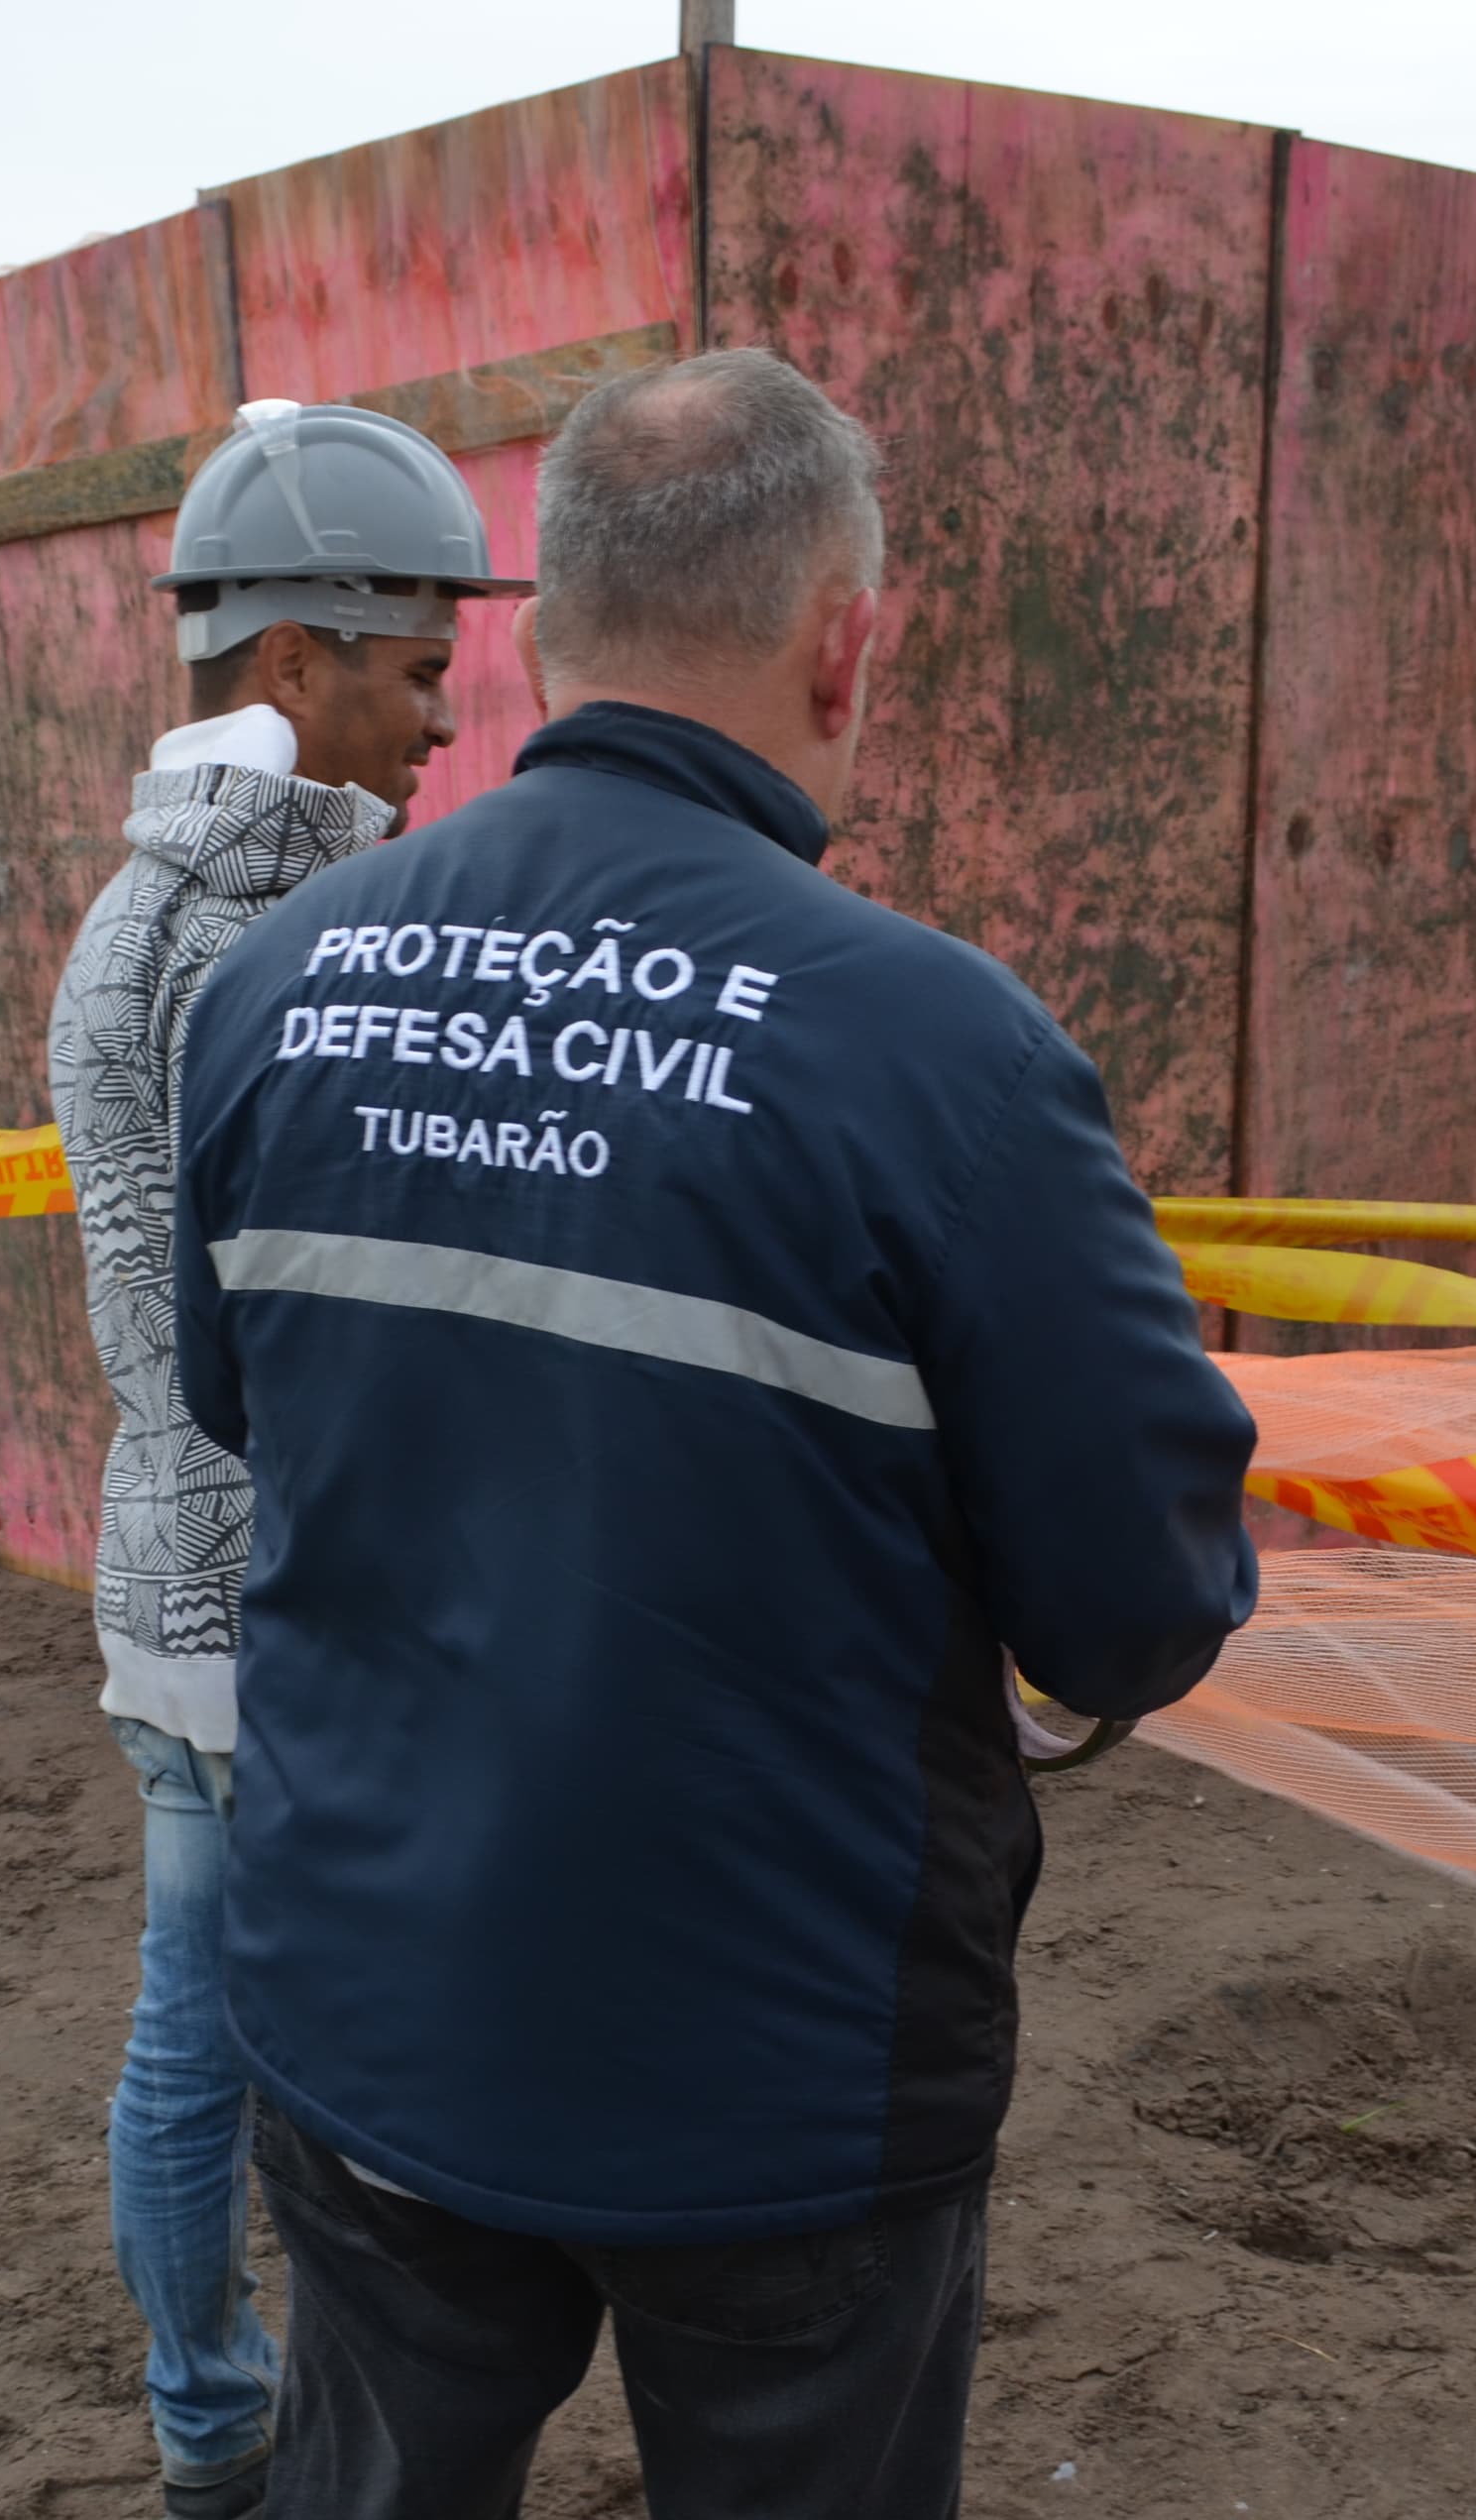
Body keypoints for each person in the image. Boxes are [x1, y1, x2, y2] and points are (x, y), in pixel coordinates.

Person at [171, 347, 1262, 2515]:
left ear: (549, 626)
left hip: (364, 1998)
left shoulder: (279, 980)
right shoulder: (941, 1048)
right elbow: (1135, 1605)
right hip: (775, 2066)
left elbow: (243, 1400)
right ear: (843, 635)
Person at [48, 396, 526, 2520]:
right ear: (288, 663)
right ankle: (272, 2438)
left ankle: (207, 2424)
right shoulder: (256, 934)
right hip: (277, 1597)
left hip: (178, 1582)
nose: (442, 720)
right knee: (320, 2071)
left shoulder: (150, 916)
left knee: (190, 2024)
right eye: (415, 669)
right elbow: (287, 1338)